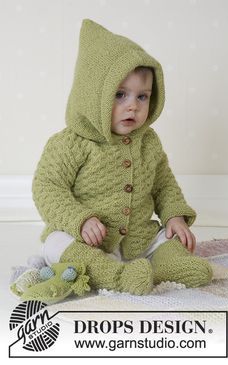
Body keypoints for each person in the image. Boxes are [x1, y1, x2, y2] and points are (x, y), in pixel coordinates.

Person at [23, 19, 213, 299]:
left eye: (143, 96)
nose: (133, 106)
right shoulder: (70, 143)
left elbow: (163, 184)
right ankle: (116, 276)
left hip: (138, 238)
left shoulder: (148, 142)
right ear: (92, 97)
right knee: (55, 245)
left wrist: (174, 216)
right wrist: (81, 220)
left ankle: (165, 266)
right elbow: (47, 188)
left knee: (167, 238)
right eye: (120, 95)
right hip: (87, 240)